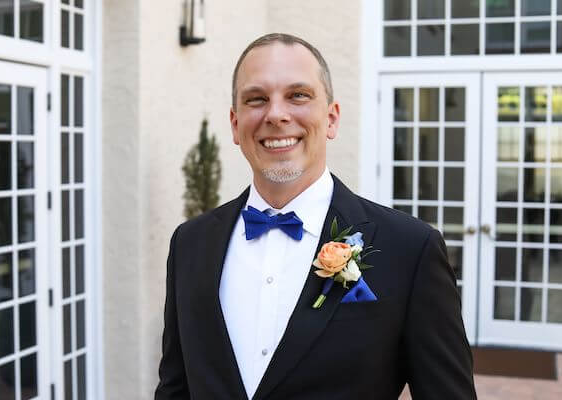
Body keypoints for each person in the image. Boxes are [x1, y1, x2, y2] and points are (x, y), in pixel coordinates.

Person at [155, 33, 477, 400]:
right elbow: (174, 388)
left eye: (298, 95)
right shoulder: (190, 243)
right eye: (256, 99)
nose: (276, 114)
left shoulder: (410, 250)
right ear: (234, 123)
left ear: (332, 119)